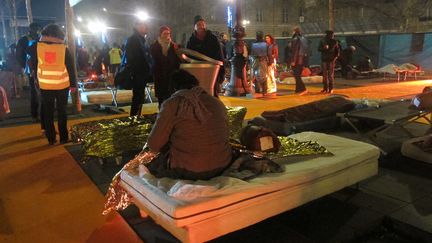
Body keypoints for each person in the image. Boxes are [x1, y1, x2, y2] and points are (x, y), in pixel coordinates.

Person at [145, 69, 232, 180]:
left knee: (151, 164)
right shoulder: (216, 102)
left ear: (173, 89)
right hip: (222, 165)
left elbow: (154, 144)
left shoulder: (173, 104)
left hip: (188, 170)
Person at [28, 24, 76, 145]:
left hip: (45, 85)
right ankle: (64, 138)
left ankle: (51, 138)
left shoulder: (35, 47)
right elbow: (70, 67)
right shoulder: (63, 48)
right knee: (62, 111)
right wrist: (73, 85)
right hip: (62, 84)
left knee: (48, 112)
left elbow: (31, 60)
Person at [187, 15, 225, 97]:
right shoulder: (191, 40)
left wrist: (221, 73)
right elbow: (189, 56)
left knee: (213, 94)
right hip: (198, 72)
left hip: (212, 71)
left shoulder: (213, 39)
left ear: (205, 25)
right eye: (198, 25)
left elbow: (219, 55)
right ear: (194, 27)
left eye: (202, 24)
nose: (200, 26)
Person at [125, 19, 154, 116]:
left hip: (143, 73)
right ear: (136, 26)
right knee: (138, 97)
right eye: (142, 25)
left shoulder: (141, 39)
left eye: (145, 25)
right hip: (138, 73)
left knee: (140, 97)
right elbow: (131, 57)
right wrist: (137, 71)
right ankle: (134, 117)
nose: (145, 27)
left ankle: (136, 116)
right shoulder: (133, 39)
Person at [150, 26, 181, 109]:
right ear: (160, 34)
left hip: (171, 75)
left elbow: (177, 59)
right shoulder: (155, 45)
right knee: (161, 99)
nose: (167, 35)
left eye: (168, 33)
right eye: (165, 33)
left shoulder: (173, 46)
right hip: (160, 75)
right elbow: (155, 59)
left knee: (171, 97)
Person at [16, 22, 41, 121]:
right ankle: (35, 114)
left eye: (37, 28)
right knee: (34, 92)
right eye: (34, 28)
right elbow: (19, 55)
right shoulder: (24, 40)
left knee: (42, 91)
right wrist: (25, 66)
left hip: (41, 68)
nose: (36, 31)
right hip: (31, 69)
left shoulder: (40, 39)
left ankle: (43, 112)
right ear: (30, 29)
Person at [290, 26, 309, 95]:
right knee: (297, 75)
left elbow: (295, 51)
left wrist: (293, 61)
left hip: (297, 59)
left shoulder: (295, 39)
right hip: (302, 59)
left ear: (294, 31)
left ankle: (303, 89)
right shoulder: (303, 39)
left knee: (297, 75)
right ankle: (297, 89)